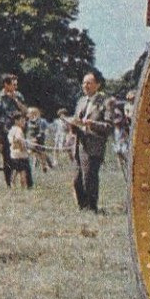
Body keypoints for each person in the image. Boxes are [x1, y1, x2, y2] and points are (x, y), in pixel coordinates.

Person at [68, 72, 111, 213]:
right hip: (79, 144)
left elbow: (109, 127)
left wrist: (92, 124)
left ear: (98, 84)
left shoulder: (106, 102)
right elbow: (76, 119)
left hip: (94, 145)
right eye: (84, 83)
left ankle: (92, 208)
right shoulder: (81, 101)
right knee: (76, 179)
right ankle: (82, 206)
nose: (85, 86)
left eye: (89, 83)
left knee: (89, 178)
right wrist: (72, 125)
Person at [0, 73, 28, 188]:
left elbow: (26, 112)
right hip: (4, 133)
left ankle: (26, 184)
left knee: (23, 157)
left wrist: (15, 100)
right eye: (13, 84)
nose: (15, 87)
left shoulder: (19, 96)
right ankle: (9, 184)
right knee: (8, 159)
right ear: (6, 84)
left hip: (19, 133)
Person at [5, 114, 33, 189]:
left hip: (14, 155)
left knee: (15, 171)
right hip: (21, 155)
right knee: (23, 172)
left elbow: (11, 141)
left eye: (24, 121)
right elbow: (19, 141)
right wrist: (26, 150)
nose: (24, 122)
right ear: (16, 121)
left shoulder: (11, 130)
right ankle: (23, 187)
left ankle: (12, 184)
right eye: (22, 121)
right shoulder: (19, 130)